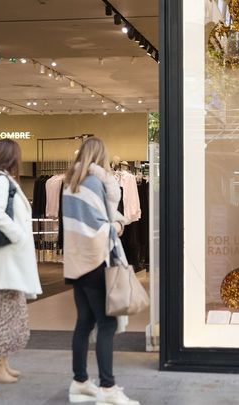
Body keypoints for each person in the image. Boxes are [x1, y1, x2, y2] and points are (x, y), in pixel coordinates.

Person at [61, 137, 139, 405]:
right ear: (100, 157)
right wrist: (117, 228)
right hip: (95, 261)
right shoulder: (94, 183)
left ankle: (80, 382)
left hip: (76, 263)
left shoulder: (70, 183)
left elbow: (77, 224)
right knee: (107, 324)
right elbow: (99, 225)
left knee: (84, 323)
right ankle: (108, 388)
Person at [0, 140, 42, 382]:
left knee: (7, 312)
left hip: (7, 260)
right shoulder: (1, 181)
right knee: (1, 313)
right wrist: (19, 234)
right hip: (4, 259)